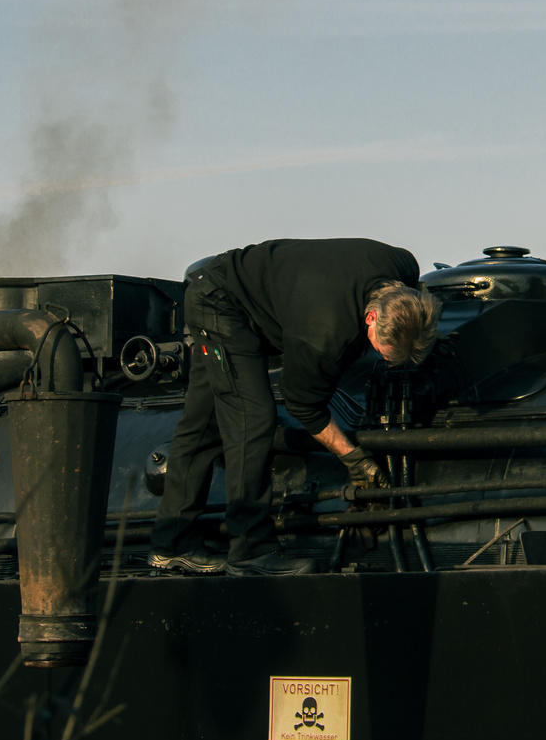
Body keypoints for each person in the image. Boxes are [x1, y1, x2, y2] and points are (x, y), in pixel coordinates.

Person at [148, 238, 439, 576]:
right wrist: (354, 458)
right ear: (371, 317)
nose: (382, 358)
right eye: (382, 350)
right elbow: (304, 405)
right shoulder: (326, 333)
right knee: (252, 420)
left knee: (203, 423)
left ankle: (171, 545)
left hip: (228, 284)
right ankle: (250, 552)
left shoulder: (403, 263)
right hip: (221, 304)